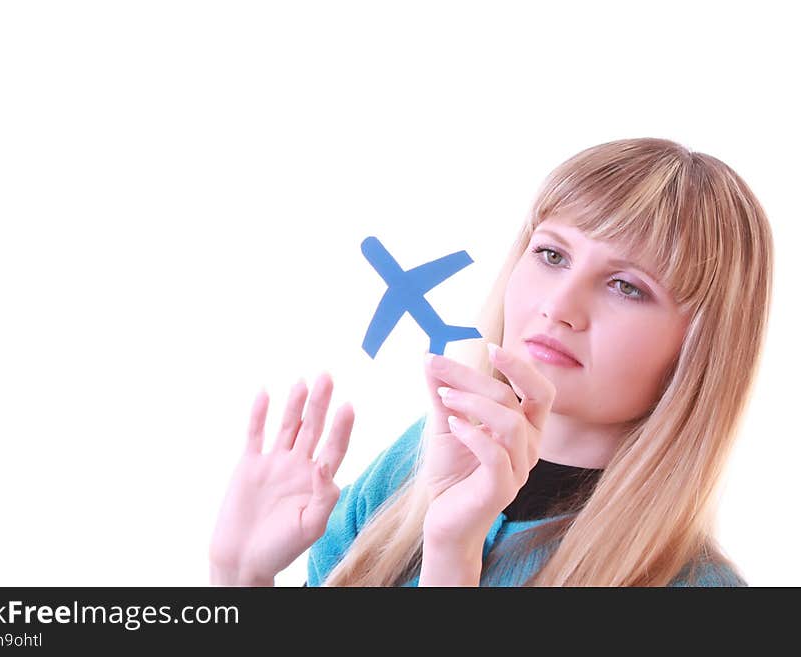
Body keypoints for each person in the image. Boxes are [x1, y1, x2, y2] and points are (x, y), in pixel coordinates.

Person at [209, 137, 773, 586]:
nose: (559, 307)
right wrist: (240, 578)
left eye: (626, 287)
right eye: (551, 254)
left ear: (700, 344)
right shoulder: (415, 461)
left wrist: (452, 555)